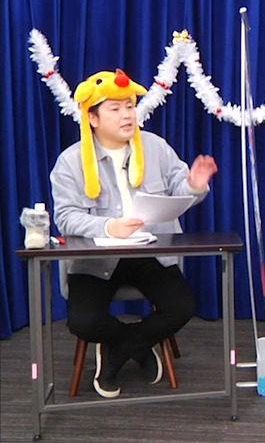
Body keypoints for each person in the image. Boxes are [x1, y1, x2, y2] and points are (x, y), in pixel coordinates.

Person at [50, 69, 218, 398]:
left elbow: (181, 188)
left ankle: (117, 350)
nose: (127, 114)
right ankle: (138, 346)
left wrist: (195, 185)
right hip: (96, 258)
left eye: (129, 106)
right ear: (92, 118)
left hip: (149, 252)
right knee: (82, 322)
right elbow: (65, 218)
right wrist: (107, 227)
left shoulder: (155, 146)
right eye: (115, 109)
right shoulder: (70, 162)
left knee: (181, 307)